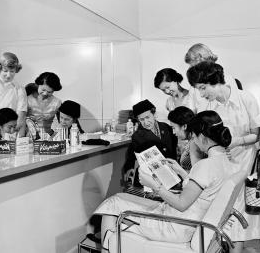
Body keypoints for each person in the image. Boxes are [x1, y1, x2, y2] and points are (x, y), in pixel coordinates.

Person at [94, 110, 236, 252]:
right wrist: (180, 171)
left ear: (203, 136)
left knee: (111, 206)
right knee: (119, 198)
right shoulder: (225, 162)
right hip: (186, 221)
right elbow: (205, 191)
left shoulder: (205, 165)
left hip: (176, 225)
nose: (195, 141)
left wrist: (153, 185)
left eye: (194, 136)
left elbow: (181, 204)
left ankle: (109, 248)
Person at [187, 61, 260, 253]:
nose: (202, 94)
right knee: (221, 209)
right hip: (222, 162)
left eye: (203, 88)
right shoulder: (207, 105)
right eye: (198, 89)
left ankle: (235, 250)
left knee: (237, 208)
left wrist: (235, 142)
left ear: (216, 81)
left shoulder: (245, 99)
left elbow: (256, 134)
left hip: (245, 161)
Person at [122, 99, 176, 185]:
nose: (146, 122)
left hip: (171, 174)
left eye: (147, 117)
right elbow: (131, 158)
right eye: (141, 119)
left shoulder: (167, 128)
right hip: (152, 178)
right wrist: (128, 171)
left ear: (154, 114)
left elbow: (174, 151)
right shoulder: (137, 136)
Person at [183, 43, 243, 113]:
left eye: (192, 65)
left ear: (200, 59)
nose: (192, 69)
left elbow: (235, 107)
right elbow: (191, 108)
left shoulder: (227, 78)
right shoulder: (194, 86)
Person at [167, 106, 196, 171]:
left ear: (184, 126)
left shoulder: (196, 144)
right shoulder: (191, 141)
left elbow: (196, 175)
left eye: (174, 128)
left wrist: (179, 170)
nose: (173, 132)